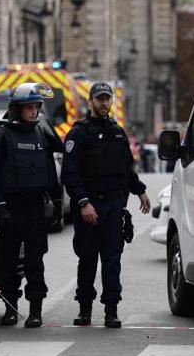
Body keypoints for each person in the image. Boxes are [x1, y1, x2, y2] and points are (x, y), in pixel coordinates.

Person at [62, 81, 151, 328]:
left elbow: (126, 170)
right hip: (89, 207)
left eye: (107, 98)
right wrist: (83, 203)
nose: (104, 103)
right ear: (89, 101)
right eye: (99, 99)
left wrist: (140, 191)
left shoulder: (118, 132)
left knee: (112, 261)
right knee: (88, 260)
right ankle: (85, 309)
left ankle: (111, 310)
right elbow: (70, 174)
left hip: (113, 207)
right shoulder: (79, 133)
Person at [0, 83, 63, 328]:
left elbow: (49, 171)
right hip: (11, 209)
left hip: (35, 208)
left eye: (36, 106)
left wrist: (56, 202)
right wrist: (0, 206)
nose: (34, 111)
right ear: (17, 109)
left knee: (36, 262)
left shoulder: (41, 135)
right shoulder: (0, 136)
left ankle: (35, 309)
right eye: (29, 107)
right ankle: (10, 308)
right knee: (9, 261)